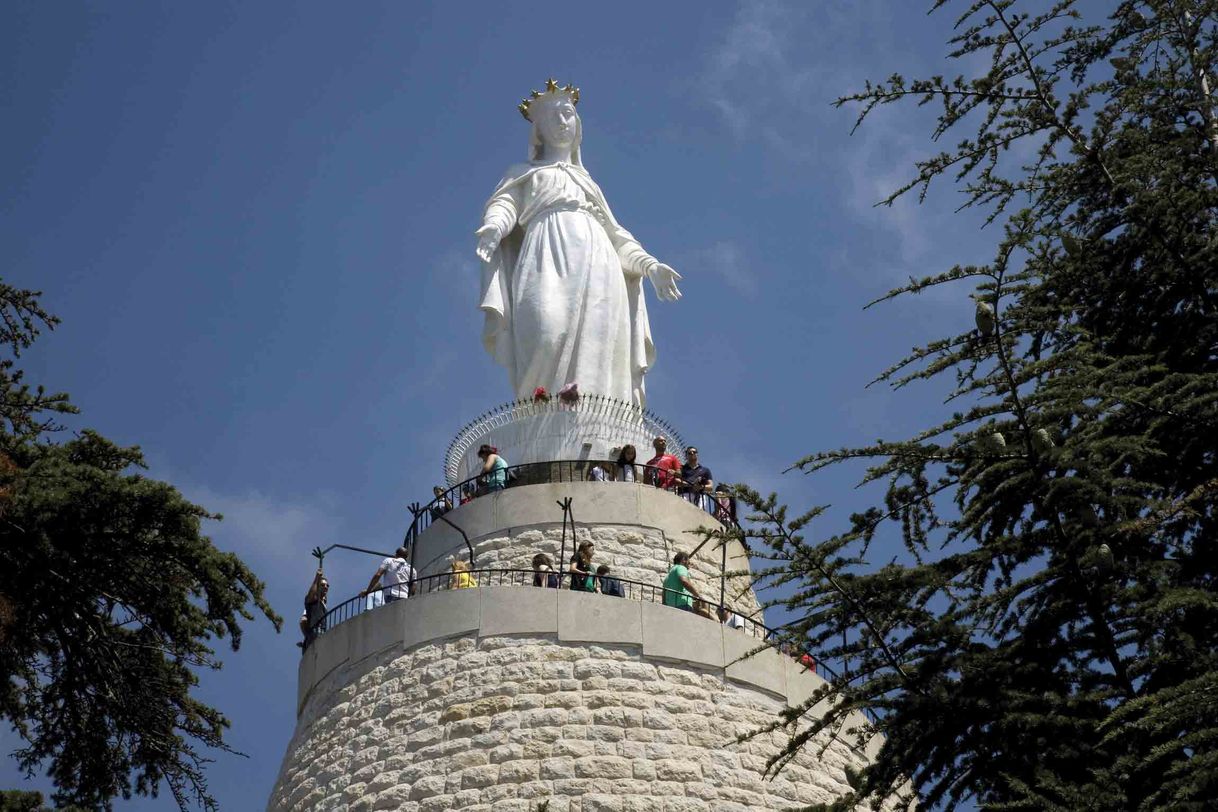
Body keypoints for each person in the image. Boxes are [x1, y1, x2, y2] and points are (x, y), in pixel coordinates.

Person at [475, 79, 682, 408]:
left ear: (578, 124)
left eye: (568, 113)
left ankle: (594, 419)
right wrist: (493, 228)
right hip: (544, 250)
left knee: (599, 344)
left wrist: (650, 266)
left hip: (597, 258)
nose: (561, 121)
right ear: (538, 130)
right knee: (545, 330)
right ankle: (540, 415)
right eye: (552, 116)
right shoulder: (524, 172)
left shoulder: (587, 184)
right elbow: (505, 205)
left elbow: (616, 235)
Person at [300, 568, 328, 647]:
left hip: (322, 633)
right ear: (317, 587)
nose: (326, 587)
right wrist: (316, 578)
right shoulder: (312, 601)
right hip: (315, 632)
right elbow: (303, 621)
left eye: (327, 585)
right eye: (322, 585)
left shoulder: (323, 605)